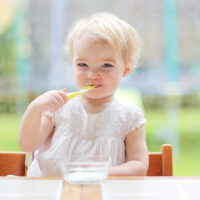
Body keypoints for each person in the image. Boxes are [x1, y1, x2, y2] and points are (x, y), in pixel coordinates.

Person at [18, 12, 149, 177]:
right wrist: (35, 108)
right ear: (72, 64)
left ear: (125, 70)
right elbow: (27, 145)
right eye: (83, 64)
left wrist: (104, 173)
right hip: (49, 191)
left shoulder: (130, 117)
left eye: (106, 65)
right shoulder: (59, 107)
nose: (92, 75)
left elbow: (139, 166)